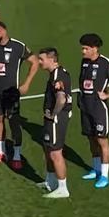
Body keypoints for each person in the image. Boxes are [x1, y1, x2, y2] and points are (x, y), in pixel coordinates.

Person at [0, 21, 39, 169]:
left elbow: (34, 62)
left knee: (13, 121)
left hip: (11, 92)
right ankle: (1, 151)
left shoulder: (17, 46)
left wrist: (26, 83)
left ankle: (16, 155)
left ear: (4, 31)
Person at [78, 33, 109, 189]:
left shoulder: (105, 63)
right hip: (85, 106)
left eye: (85, 48)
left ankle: (105, 175)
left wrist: (107, 95)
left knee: (102, 141)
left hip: (99, 109)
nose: (83, 52)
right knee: (91, 139)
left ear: (94, 48)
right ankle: (96, 169)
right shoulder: (84, 62)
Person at [37, 48, 73, 199]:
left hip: (57, 118)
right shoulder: (55, 74)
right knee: (48, 149)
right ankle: (50, 181)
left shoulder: (58, 75)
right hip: (52, 118)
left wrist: (53, 114)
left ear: (52, 59)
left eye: (41, 59)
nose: (39, 62)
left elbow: (61, 98)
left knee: (55, 152)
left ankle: (63, 188)